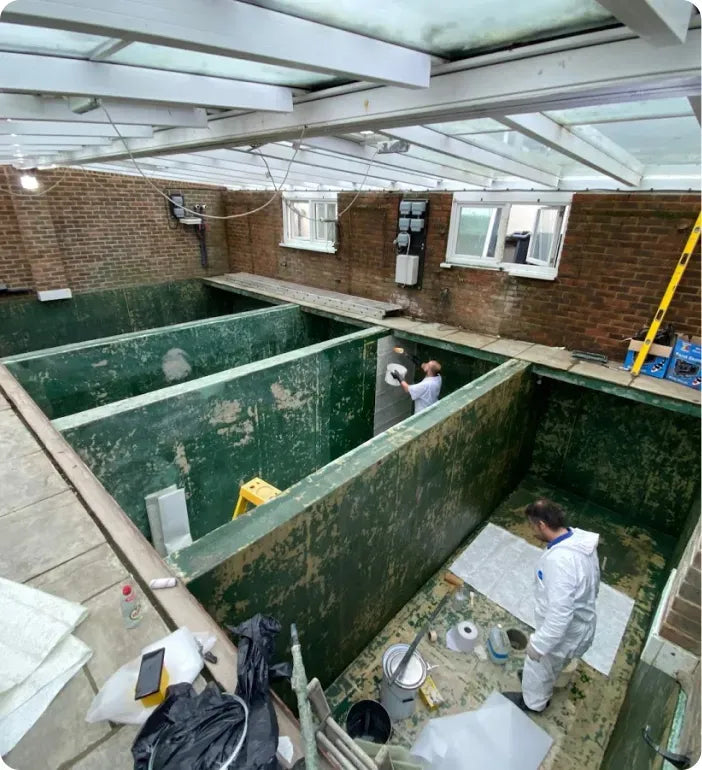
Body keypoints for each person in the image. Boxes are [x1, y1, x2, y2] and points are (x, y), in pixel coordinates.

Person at [503, 499, 600, 713]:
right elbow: (593, 584)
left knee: (537, 668)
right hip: (581, 626)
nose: (531, 530)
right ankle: (543, 683)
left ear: (542, 525)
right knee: (553, 666)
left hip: (565, 635)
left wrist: (538, 645)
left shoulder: (560, 562)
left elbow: (560, 616)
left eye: (531, 525)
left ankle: (534, 704)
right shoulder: (579, 539)